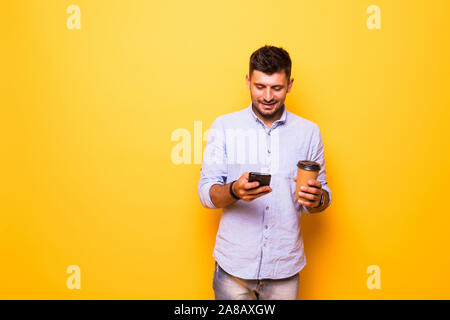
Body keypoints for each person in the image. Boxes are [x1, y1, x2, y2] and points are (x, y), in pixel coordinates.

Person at [198, 45, 332, 300]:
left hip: (285, 269)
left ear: (290, 84)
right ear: (248, 81)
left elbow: (321, 196)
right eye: (260, 86)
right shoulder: (224, 127)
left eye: (277, 88)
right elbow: (206, 194)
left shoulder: (309, 132)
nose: (268, 96)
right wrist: (234, 191)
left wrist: (318, 200)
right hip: (233, 270)